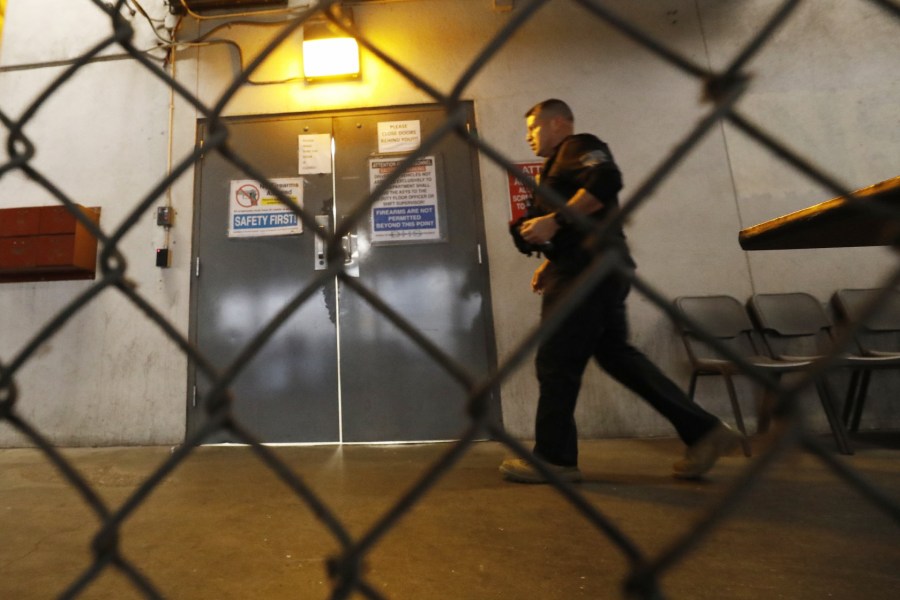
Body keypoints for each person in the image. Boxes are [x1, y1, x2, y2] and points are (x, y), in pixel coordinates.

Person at [500, 99, 741, 483]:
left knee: (556, 361)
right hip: (593, 267)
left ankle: (554, 458)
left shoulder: (578, 146)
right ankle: (704, 431)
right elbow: (589, 222)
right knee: (617, 356)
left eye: (533, 128)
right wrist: (550, 258)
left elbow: (606, 181)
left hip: (588, 274)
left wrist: (555, 221)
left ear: (559, 122)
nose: (528, 136)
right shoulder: (555, 169)